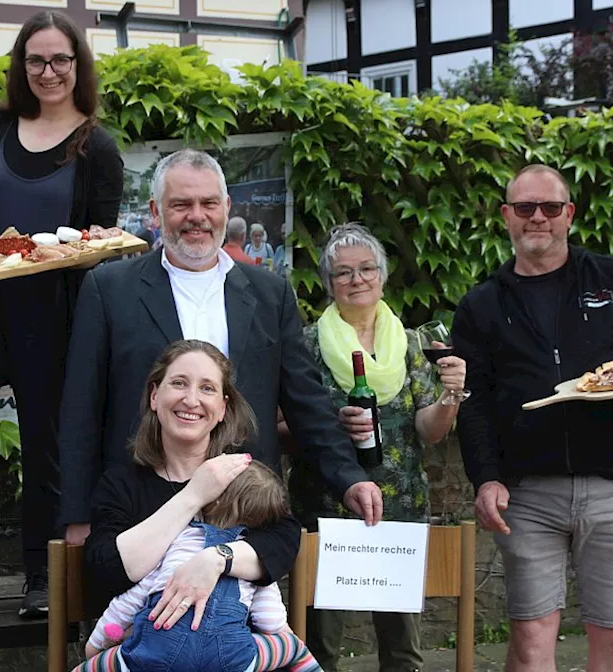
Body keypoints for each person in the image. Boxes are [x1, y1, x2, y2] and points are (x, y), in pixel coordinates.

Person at [58, 149, 383, 554]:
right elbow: (80, 408)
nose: (197, 215)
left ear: (226, 208)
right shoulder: (108, 290)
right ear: (156, 212)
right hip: (139, 507)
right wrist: (77, 513)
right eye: (181, 205)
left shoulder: (270, 292)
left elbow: (306, 401)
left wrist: (349, 477)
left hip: (245, 505)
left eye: (209, 203)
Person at [452, 164, 613, 672]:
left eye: (549, 207)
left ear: (569, 215)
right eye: (525, 208)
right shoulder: (480, 305)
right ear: (506, 217)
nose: (537, 218)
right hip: (527, 493)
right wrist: (486, 478)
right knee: (529, 637)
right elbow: (472, 403)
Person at [0, 9, 123, 617]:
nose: (48, 71)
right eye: (35, 60)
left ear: (77, 65)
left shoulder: (97, 145)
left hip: (51, 308)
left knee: (48, 442)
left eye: (60, 59)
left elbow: (100, 244)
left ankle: (42, 574)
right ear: (21, 66)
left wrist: (70, 247)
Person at [283, 223, 466, 672]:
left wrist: (450, 396)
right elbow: (282, 426)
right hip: (325, 510)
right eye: (343, 273)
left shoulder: (407, 343)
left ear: (382, 276)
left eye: (366, 269)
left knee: (402, 648)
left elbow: (430, 429)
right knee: (316, 646)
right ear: (328, 284)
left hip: (400, 508)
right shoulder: (305, 345)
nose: (356, 279)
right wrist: (329, 426)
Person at [81, 340, 317, 671]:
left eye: (207, 388)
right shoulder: (121, 484)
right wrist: (194, 495)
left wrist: (214, 560)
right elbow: (106, 569)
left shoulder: (244, 479)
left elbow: (282, 539)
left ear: (222, 408)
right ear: (154, 396)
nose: (191, 400)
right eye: (178, 383)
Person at [78, 460, 320, 672]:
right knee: (294, 648)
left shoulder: (175, 541)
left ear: (211, 501)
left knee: (107, 660)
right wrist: (285, 636)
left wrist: (95, 644)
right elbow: (270, 619)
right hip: (230, 659)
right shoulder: (253, 558)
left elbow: (133, 598)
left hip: (156, 654)